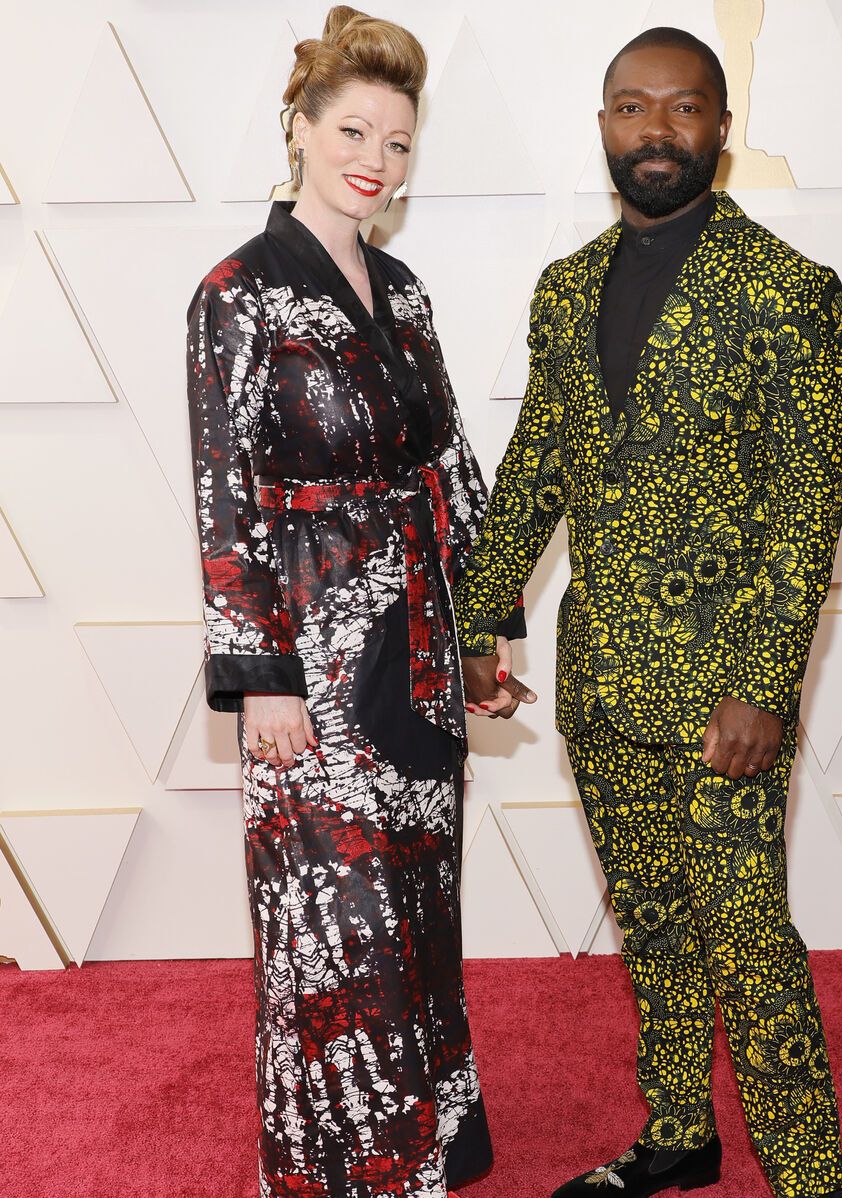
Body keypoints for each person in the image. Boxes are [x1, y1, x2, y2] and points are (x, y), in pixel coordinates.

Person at [454, 26, 842, 1198]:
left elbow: (806, 508)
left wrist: (764, 684)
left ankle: (810, 1176)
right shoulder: (566, 286)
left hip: (726, 689)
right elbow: (537, 464)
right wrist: (483, 617)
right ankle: (678, 1131)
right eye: (632, 107)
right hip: (603, 681)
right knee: (657, 928)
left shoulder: (789, 292)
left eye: (683, 109)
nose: (656, 131)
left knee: (753, 944)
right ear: (604, 128)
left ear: (720, 130)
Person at [186, 8, 524, 1195]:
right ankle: (349, 1167)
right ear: (299, 130)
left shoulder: (407, 291)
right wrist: (260, 675)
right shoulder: (236, 296)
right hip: (313, 671)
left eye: (398, 140)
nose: (375, 159)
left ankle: (426, 1144)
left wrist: (483, 630)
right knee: (340, 925)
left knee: (422, 907)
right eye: (352, 129)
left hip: (421, 652)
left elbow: (449, 464)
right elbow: (223, 497)